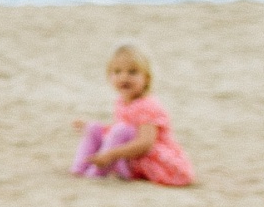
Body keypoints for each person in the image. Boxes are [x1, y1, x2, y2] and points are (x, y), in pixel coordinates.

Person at [71, 43, 194, 186]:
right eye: (117, 72)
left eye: (132, 72)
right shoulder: (122, 102)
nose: (124, 77)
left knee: (120, 129)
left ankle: (97, 173)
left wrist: (111, 154)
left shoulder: (148, 105)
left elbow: (145, 143)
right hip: (127, 155)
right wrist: (92, 128)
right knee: (94, 128)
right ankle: (80, 168)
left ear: (146, 78)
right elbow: (122, 133)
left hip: (147, 160)